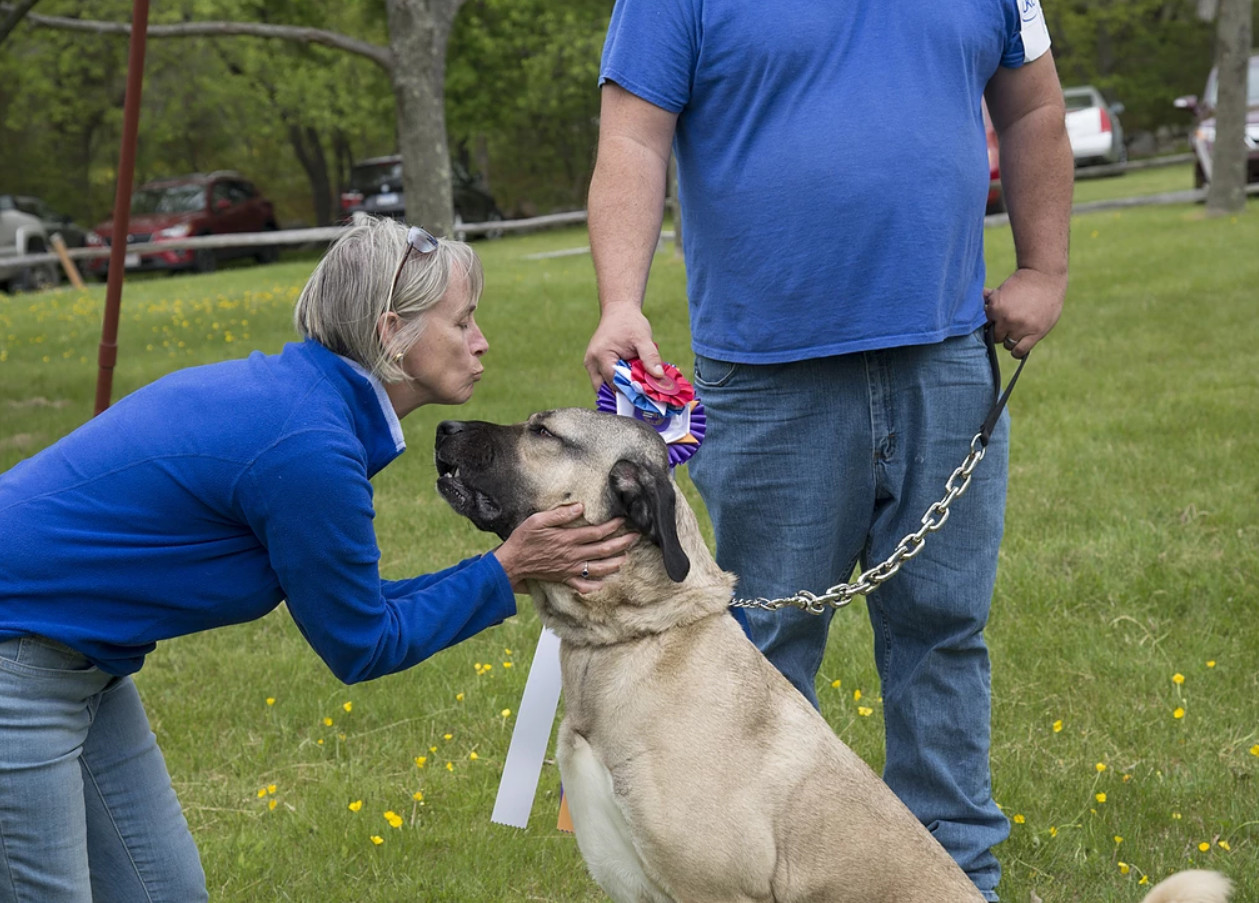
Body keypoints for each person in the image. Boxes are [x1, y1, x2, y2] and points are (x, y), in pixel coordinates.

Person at [583, 3, 1072, 899]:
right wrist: (622, 299)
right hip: (766, 379)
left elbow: (1033, 108)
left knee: (942, 632)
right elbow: (634, 138)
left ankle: (956, 879)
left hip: (947, 354)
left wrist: (1044, 267)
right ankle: (754, 879)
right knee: (757, 648)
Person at [0, 216, 636, 903]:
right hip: (20, 656)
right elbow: (361, 644)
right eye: (462, 322)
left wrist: (501, 569)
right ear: (392, 331)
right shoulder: (306, 442)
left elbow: (360, 608)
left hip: (82, 666)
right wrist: (505, 569)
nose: (481, 342)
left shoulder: (309, 406)